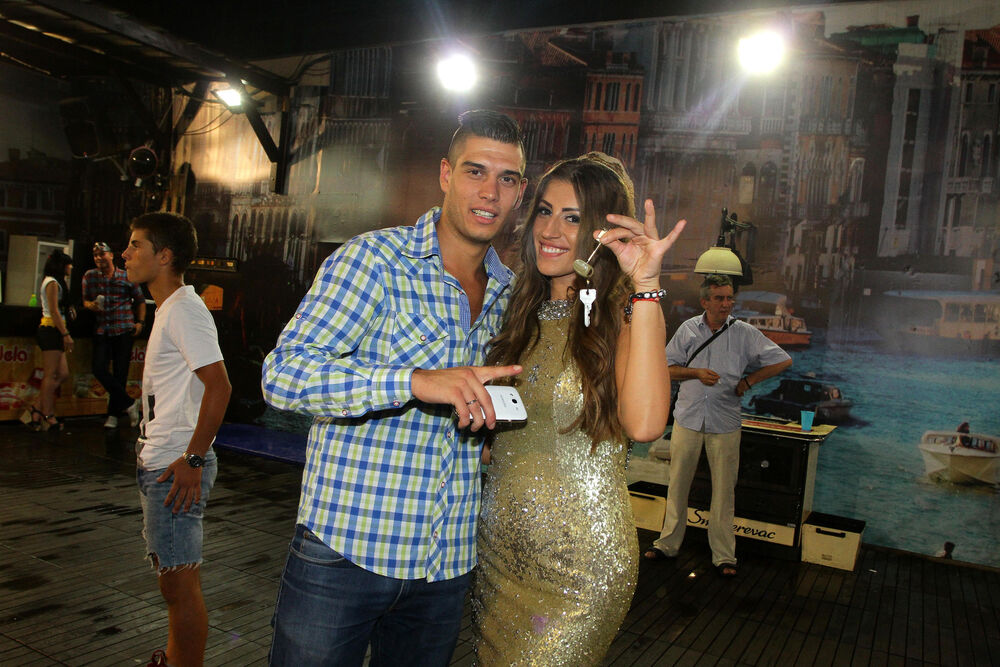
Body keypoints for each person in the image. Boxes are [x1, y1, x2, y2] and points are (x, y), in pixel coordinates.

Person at [262, 110, 527, 666]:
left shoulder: (511, 295)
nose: (490, 192)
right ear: (445, 174)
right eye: (475, 171)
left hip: (446, 564)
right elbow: (283, 374)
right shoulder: (375, 260)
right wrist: (412, 381)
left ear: (520, 192)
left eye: (507, 179)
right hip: (345, 551)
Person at [474, 155, 686, 664]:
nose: (550, 230)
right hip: (497, 557)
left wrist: (646, 285)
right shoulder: (516, 312)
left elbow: (645, 424)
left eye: (573, 218)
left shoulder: (624, 314)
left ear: (601, 234)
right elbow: (511, 438)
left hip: (579, 569)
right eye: (545, 211)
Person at [123, 212, 231, 667]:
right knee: (173, 581)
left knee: (180, 585)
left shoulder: (184, 309)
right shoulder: (169, 308)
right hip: (163, 459)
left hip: (174, 465)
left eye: (135, 245)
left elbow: (220, 386)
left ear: (164, 256)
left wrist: (193, 459)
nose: (125, 254)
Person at [644, 274, 792, 577]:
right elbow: (665, 368)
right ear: (705, 302)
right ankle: (667, 544)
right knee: (677, 486)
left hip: (725, 422)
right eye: (719, 298)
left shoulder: (745, 333)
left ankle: (724, 556)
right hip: (688, 418)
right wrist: (696, 373)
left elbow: (783, 360)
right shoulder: (688, 329)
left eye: (729, 298)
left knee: (724, 492)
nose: (726, 303)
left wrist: (749, 381)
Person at [82, 240, 146, 429]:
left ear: (111, 255)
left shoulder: (126, 276)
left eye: (102, 254)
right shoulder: (90, 276)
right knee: (99, 368)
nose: (99, 258)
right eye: (95, 255)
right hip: (102, 328)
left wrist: (140, 322)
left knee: (120, 372)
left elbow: (140, 300)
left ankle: (113, 415)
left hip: (123, 328)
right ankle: (129, 403)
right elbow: (85, 300)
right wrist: (91, 305)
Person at [21, 249, 74, 431]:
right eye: (68, 265)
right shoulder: (51, 282)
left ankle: (36, 407)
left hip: (56, 330)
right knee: (50, 375)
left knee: (63, 374)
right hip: (50, 329)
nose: (70, 268)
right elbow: (53, 310)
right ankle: (48, 415)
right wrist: (65, 334)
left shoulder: (57, 282)